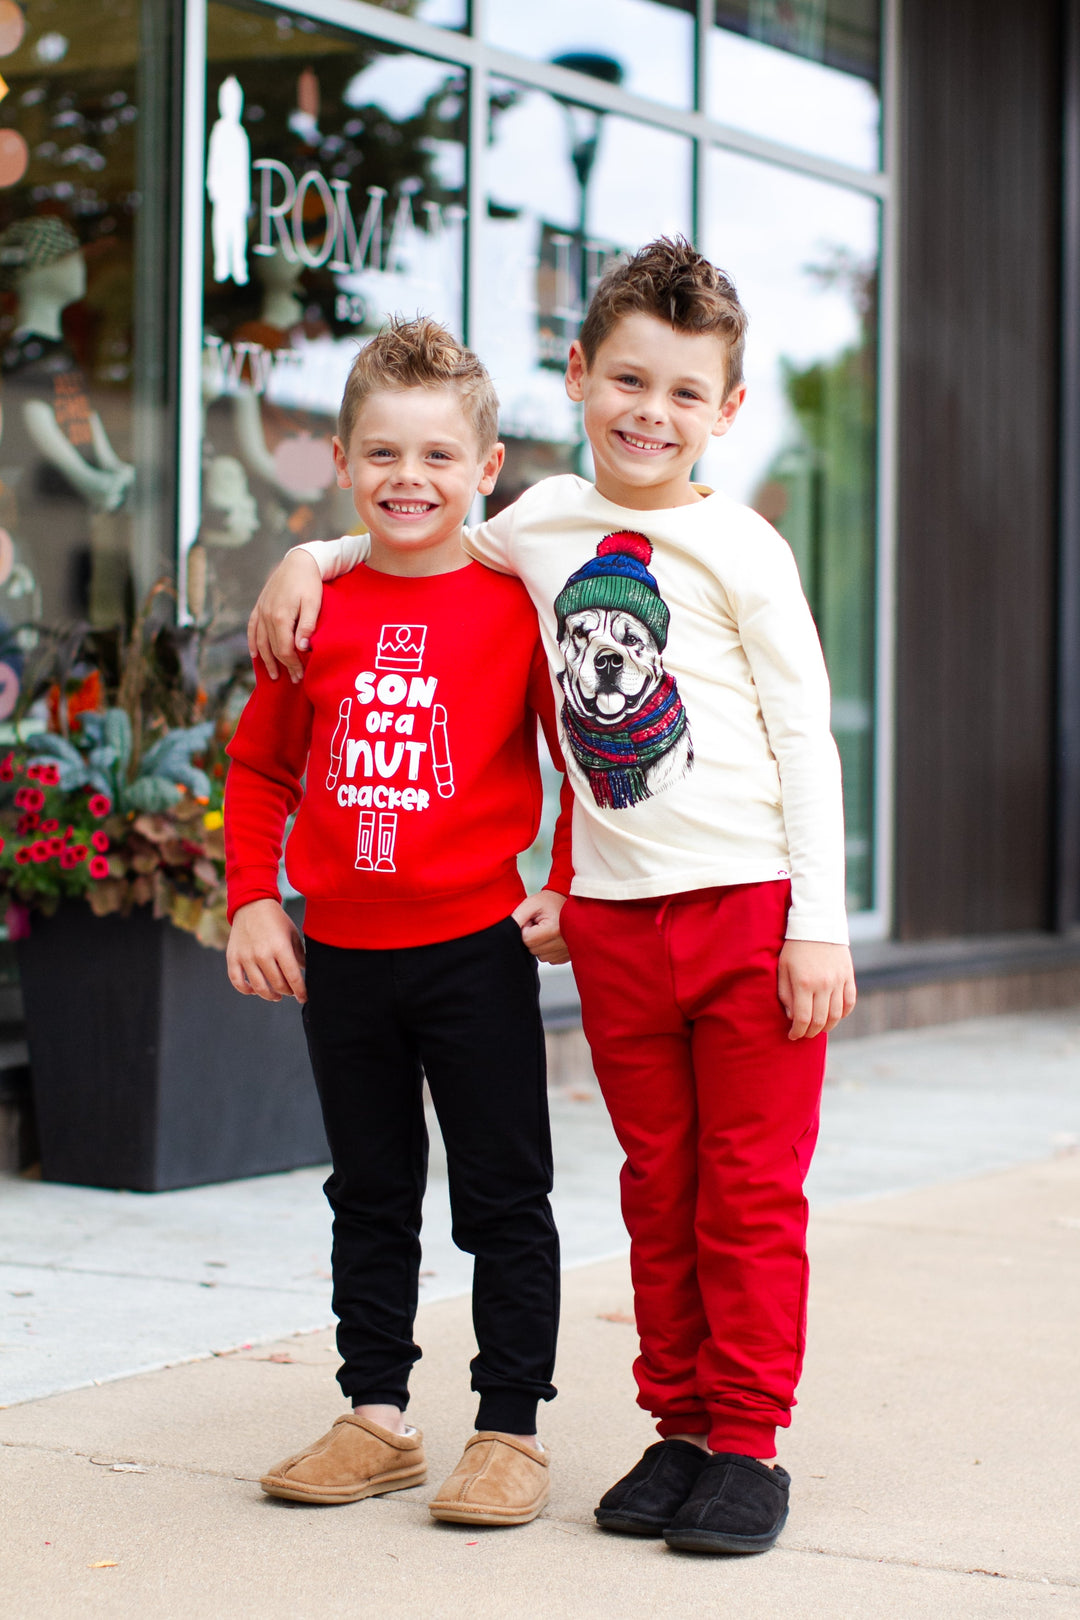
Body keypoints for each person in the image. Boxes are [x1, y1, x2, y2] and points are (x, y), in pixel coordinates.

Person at [247, 238, 858, 1556]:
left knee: (745, 1191)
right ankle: (678, 1425)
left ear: (728, 412)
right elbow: (422, 531)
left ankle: (748, 1441)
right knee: (657, 1186)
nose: (653, 412)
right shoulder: (541, 524)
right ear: (577, 378)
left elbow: (807, 743)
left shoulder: (741, 549)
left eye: (687, 393)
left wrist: (819, 924)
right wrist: (314, 559)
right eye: (628, 379)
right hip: (619, 928)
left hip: (748, 907)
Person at [224, 316, 573, 1528]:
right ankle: (374, 1416)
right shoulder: (313, 604)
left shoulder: (516, 603)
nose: (407, 479)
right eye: (382, 455)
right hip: (346, 957)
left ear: (485, 471)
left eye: (436, 457)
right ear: (340, 460)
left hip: (475, 951)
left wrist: (568, 878)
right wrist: (254, 896)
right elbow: (262, 769)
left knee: (502, 1196)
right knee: (368, 1191)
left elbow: (582, 757)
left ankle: (510, 1429)